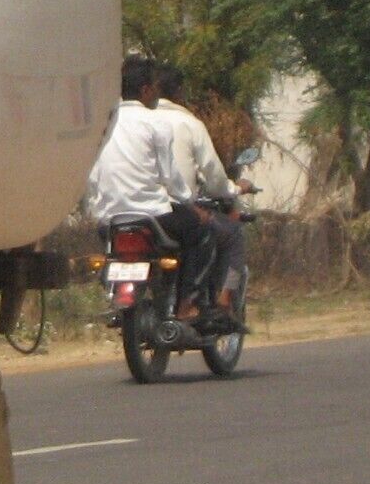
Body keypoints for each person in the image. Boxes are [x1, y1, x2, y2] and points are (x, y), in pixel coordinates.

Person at [84, 56, 219, 323]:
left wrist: (95, 207)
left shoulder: (103, 123)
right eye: (155, 87)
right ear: (145, 90)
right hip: (153, 216)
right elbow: (171, 178)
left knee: (111, 254)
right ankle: (186, 304)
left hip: (110, 219)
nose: (157, 93)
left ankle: (113, 295)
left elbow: (92, 174)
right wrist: (192, 203)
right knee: (202, 231)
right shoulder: (155, 122)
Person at [153, 64, 252, 327]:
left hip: (119, 214)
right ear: (179, 92)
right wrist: (233, 189)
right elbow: (213, 175)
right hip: (172, 211)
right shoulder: (188, 124)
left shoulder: (125, 121)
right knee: (232, 235)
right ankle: (221, 302)